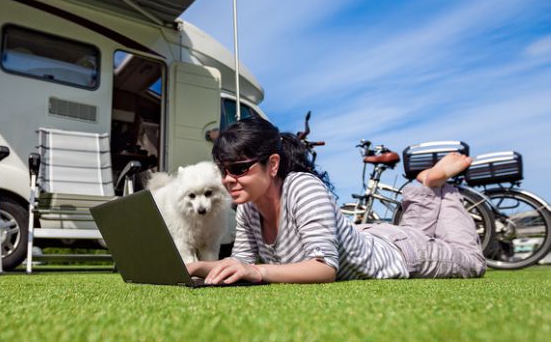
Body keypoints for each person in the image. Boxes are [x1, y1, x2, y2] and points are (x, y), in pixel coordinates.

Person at [187, 117, 486, 284]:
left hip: (402, 255)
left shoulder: (302, 187)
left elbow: (324, 268)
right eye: (223, 171)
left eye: (239, 169)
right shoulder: (248, 208)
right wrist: (195, 267)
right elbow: (241, 262)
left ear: (273, 165)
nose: (228, 179)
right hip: (368, 236)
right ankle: (426, 185)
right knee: (418, 227)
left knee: (472, 263)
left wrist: (259, 271)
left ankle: (433, 182)